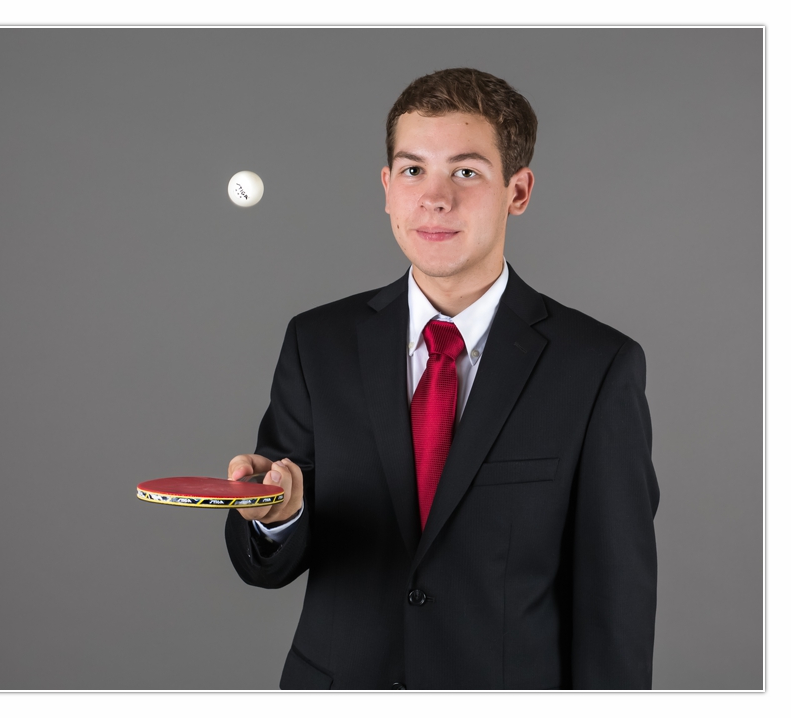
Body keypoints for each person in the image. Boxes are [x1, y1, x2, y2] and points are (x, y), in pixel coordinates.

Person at [223, 67, 659, 690]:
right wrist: (278, 513)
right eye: (412, 170)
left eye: (466, 171)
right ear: (386, 187)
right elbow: (266, 565)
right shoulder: (316, 343)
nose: (435, 198)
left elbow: (615, 601)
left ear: (518, 190)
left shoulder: (597, 367)